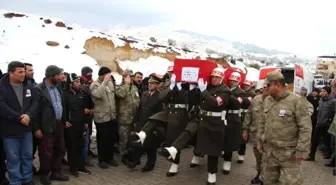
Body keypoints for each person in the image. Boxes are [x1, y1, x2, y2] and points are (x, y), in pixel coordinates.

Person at [257, 70, 312, 185]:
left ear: (277, 85)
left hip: (289, 155)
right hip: (270, 153)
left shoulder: (296, 101)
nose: (265, 88)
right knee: (268, 181)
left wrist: (301, 150)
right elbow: (262, 122)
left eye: (268, 85)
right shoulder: (267, 100)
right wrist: (259, 141)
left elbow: (305, 128)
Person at [0, 61, 38, 185]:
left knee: (27, 155)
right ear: (11, 73)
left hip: (26, 128)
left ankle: (27, 179)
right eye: (20, 72)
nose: (23, 74)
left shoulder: (29, 85)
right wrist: (18, 117)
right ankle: (16, 181)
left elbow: (35, 103)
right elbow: (2, 106)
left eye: (24, 71)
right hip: (10, 130)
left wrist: (28, 115)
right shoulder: (2, 86)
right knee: (13, 158)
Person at [193, 67, 231, 185]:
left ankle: (212, 173)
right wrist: (194, 89)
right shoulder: (208, 87)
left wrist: (203, 92)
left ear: (222, 79)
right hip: (203, 119)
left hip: (215, 122)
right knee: (199, 143)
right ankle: (196, 157)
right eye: (213, 77)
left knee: (213, 150)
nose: (214, 79)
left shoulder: (225, 90)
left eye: (217, 77)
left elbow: (215, 103)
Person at [35, 65, 69, 185]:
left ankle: (56, 172)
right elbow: (35, 111)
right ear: (51, 76)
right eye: (58, 75)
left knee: (60, 149)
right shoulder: (39, 89)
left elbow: (61, 104)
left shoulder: (57, 87)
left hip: (58, 123)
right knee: (46, 152)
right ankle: (44, 174)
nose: (61, 77)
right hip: (46, 125)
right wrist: (37, 128)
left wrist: (64, 120)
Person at [90, 67, 119, 169]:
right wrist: (104, 82)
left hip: (111, 116)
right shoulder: (94, 85)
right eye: (107, 75)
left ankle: (110, 158)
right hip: (101, 117)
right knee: (102, 139)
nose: (109, 76)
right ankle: (102, 160)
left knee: (110, 139)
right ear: (102, 75)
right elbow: (98, 94)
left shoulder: (110, 83)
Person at [63, 73, 91, 177]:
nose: (79, 84)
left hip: (80, 123)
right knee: (72, 146)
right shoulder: (65, 94)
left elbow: (83, 109)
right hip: (71, 124)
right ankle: (73, 167)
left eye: (79, 81)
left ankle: (80, 165)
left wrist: (85, 122)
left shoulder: (80, 93)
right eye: (76, 82)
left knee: (81, 145)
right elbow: (64, 109)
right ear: (70, 83)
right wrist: (65, 120)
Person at [242, 84, 269, 184]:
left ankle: (265, 177)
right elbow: (249, 114)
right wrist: (245, 129)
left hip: (268, 136)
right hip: (255, 134)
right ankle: (259, 174)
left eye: (268, 86)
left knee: (267, 158)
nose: (265, 88)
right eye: (264, 86)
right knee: (258, 157)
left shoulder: (275, 100)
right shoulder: (256, 99)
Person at [115, 69, 140, 166]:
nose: (132, 78)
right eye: (129, 76)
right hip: (124, 119)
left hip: (133, 118)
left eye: (132, 76)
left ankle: (131, 155)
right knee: (124, 139)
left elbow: (138, 101)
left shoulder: (134, 88)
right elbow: (121, 94)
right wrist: (126, 83)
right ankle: (123, 156)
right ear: (124, 77)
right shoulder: (119, 87)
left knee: (132, 138)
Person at [222, 72, 245, 174]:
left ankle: (227, 161)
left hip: (233, 118)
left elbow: (236, 104)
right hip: (223, 115)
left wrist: (228, 94)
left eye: (234, 81)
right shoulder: (224, 89)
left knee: (229, 140)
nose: (232, 82)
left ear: (238, 82)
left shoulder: (241, 92)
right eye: (231, 80)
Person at [306, 86, 336, 161]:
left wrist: (329, 121)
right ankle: (311, 155)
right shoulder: (321, 100)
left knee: (327, 141)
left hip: (327, 124)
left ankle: (329, 154)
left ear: (328, 92)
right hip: (319, 123)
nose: (322, 92)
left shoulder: (333, 101)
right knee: (315, 140)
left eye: (324, 91)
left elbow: (334, 113)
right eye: (321, 91)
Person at [80, 66, 97, 164]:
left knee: (89, 133)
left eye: (91, 72)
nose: (90, 74)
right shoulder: (81, 84)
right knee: (84, 135)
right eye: (88, 73)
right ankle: (83, 156)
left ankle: (88, 150)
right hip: (83, 113)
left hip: (90, 112)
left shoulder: (91, 83)